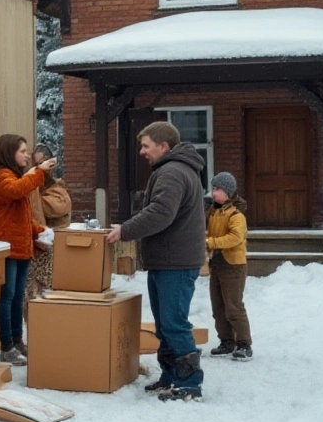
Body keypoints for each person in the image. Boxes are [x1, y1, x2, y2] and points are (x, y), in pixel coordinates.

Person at [105, 121, 207, 401]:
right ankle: (171, 375)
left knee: (174, 323)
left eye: (146, 145)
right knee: (164, 324)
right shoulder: (174, 169)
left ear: (164, 146)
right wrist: (128, 225)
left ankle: (189, 383)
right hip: (169, 259)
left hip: (175, 261)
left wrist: (125, 230)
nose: (142, 151)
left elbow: (161, 213)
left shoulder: (172, 172)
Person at [0, 134, 56, 366]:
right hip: (6, 248)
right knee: (7, 297)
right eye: (22, 151)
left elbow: (19, 218)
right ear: (9, 153)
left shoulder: (14, 176)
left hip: (21, 247)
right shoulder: (1, 177)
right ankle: (6, 346)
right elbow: (16, 190)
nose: (27, 154)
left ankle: (17, 341)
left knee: (17, 297)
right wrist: (39, 171)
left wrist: (38, 231)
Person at [206, 172, 252, 361]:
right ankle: (226, 341)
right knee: (218, 307)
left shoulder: (236, 215)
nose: (213, 193)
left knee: (233, 307)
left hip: (233, 266)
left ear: (228, 192)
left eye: (217, 190)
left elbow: (235, 237)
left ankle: (244, 344)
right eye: (213, 189)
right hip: (216, 264)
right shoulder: (214, 211)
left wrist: (211, 242)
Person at [26, 145, 71, 304]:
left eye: (45, 163)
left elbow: (57, 208)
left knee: (47, 294)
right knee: (30, 295)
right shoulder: (31, 184)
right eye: (37, 164)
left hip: (50, 251)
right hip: (32, 250)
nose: (42, 167)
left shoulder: (57, 190)